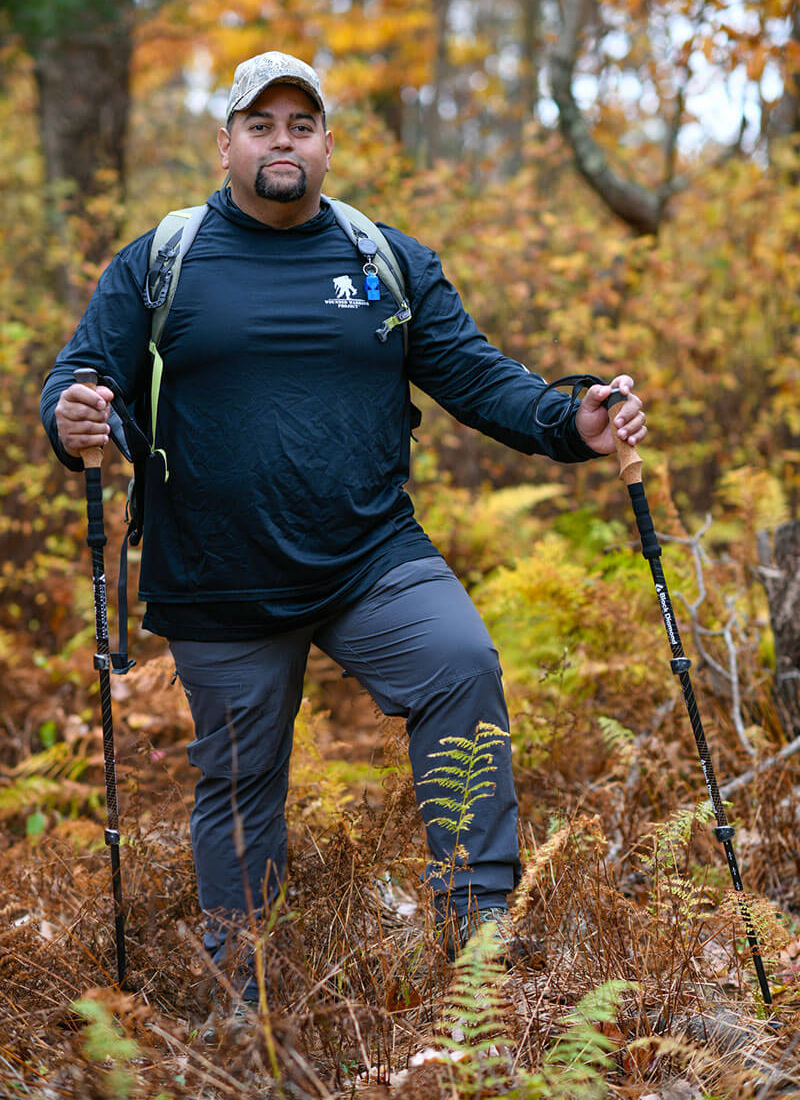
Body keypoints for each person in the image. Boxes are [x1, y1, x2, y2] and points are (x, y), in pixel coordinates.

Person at [41, 50, 646, 998]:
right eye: (261, 126)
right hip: (218, 574)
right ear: (226, 142)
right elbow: (81, 376)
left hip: (371, 556)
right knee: (241, 785)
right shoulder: (162, 260)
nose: (282, 144)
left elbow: (476, 376)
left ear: (328, 143)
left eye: (301, 127)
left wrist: (572, 421)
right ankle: (246, 1000)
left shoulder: (385, 258)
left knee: (461, 664)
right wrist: (74, 415)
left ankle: (480, 942)